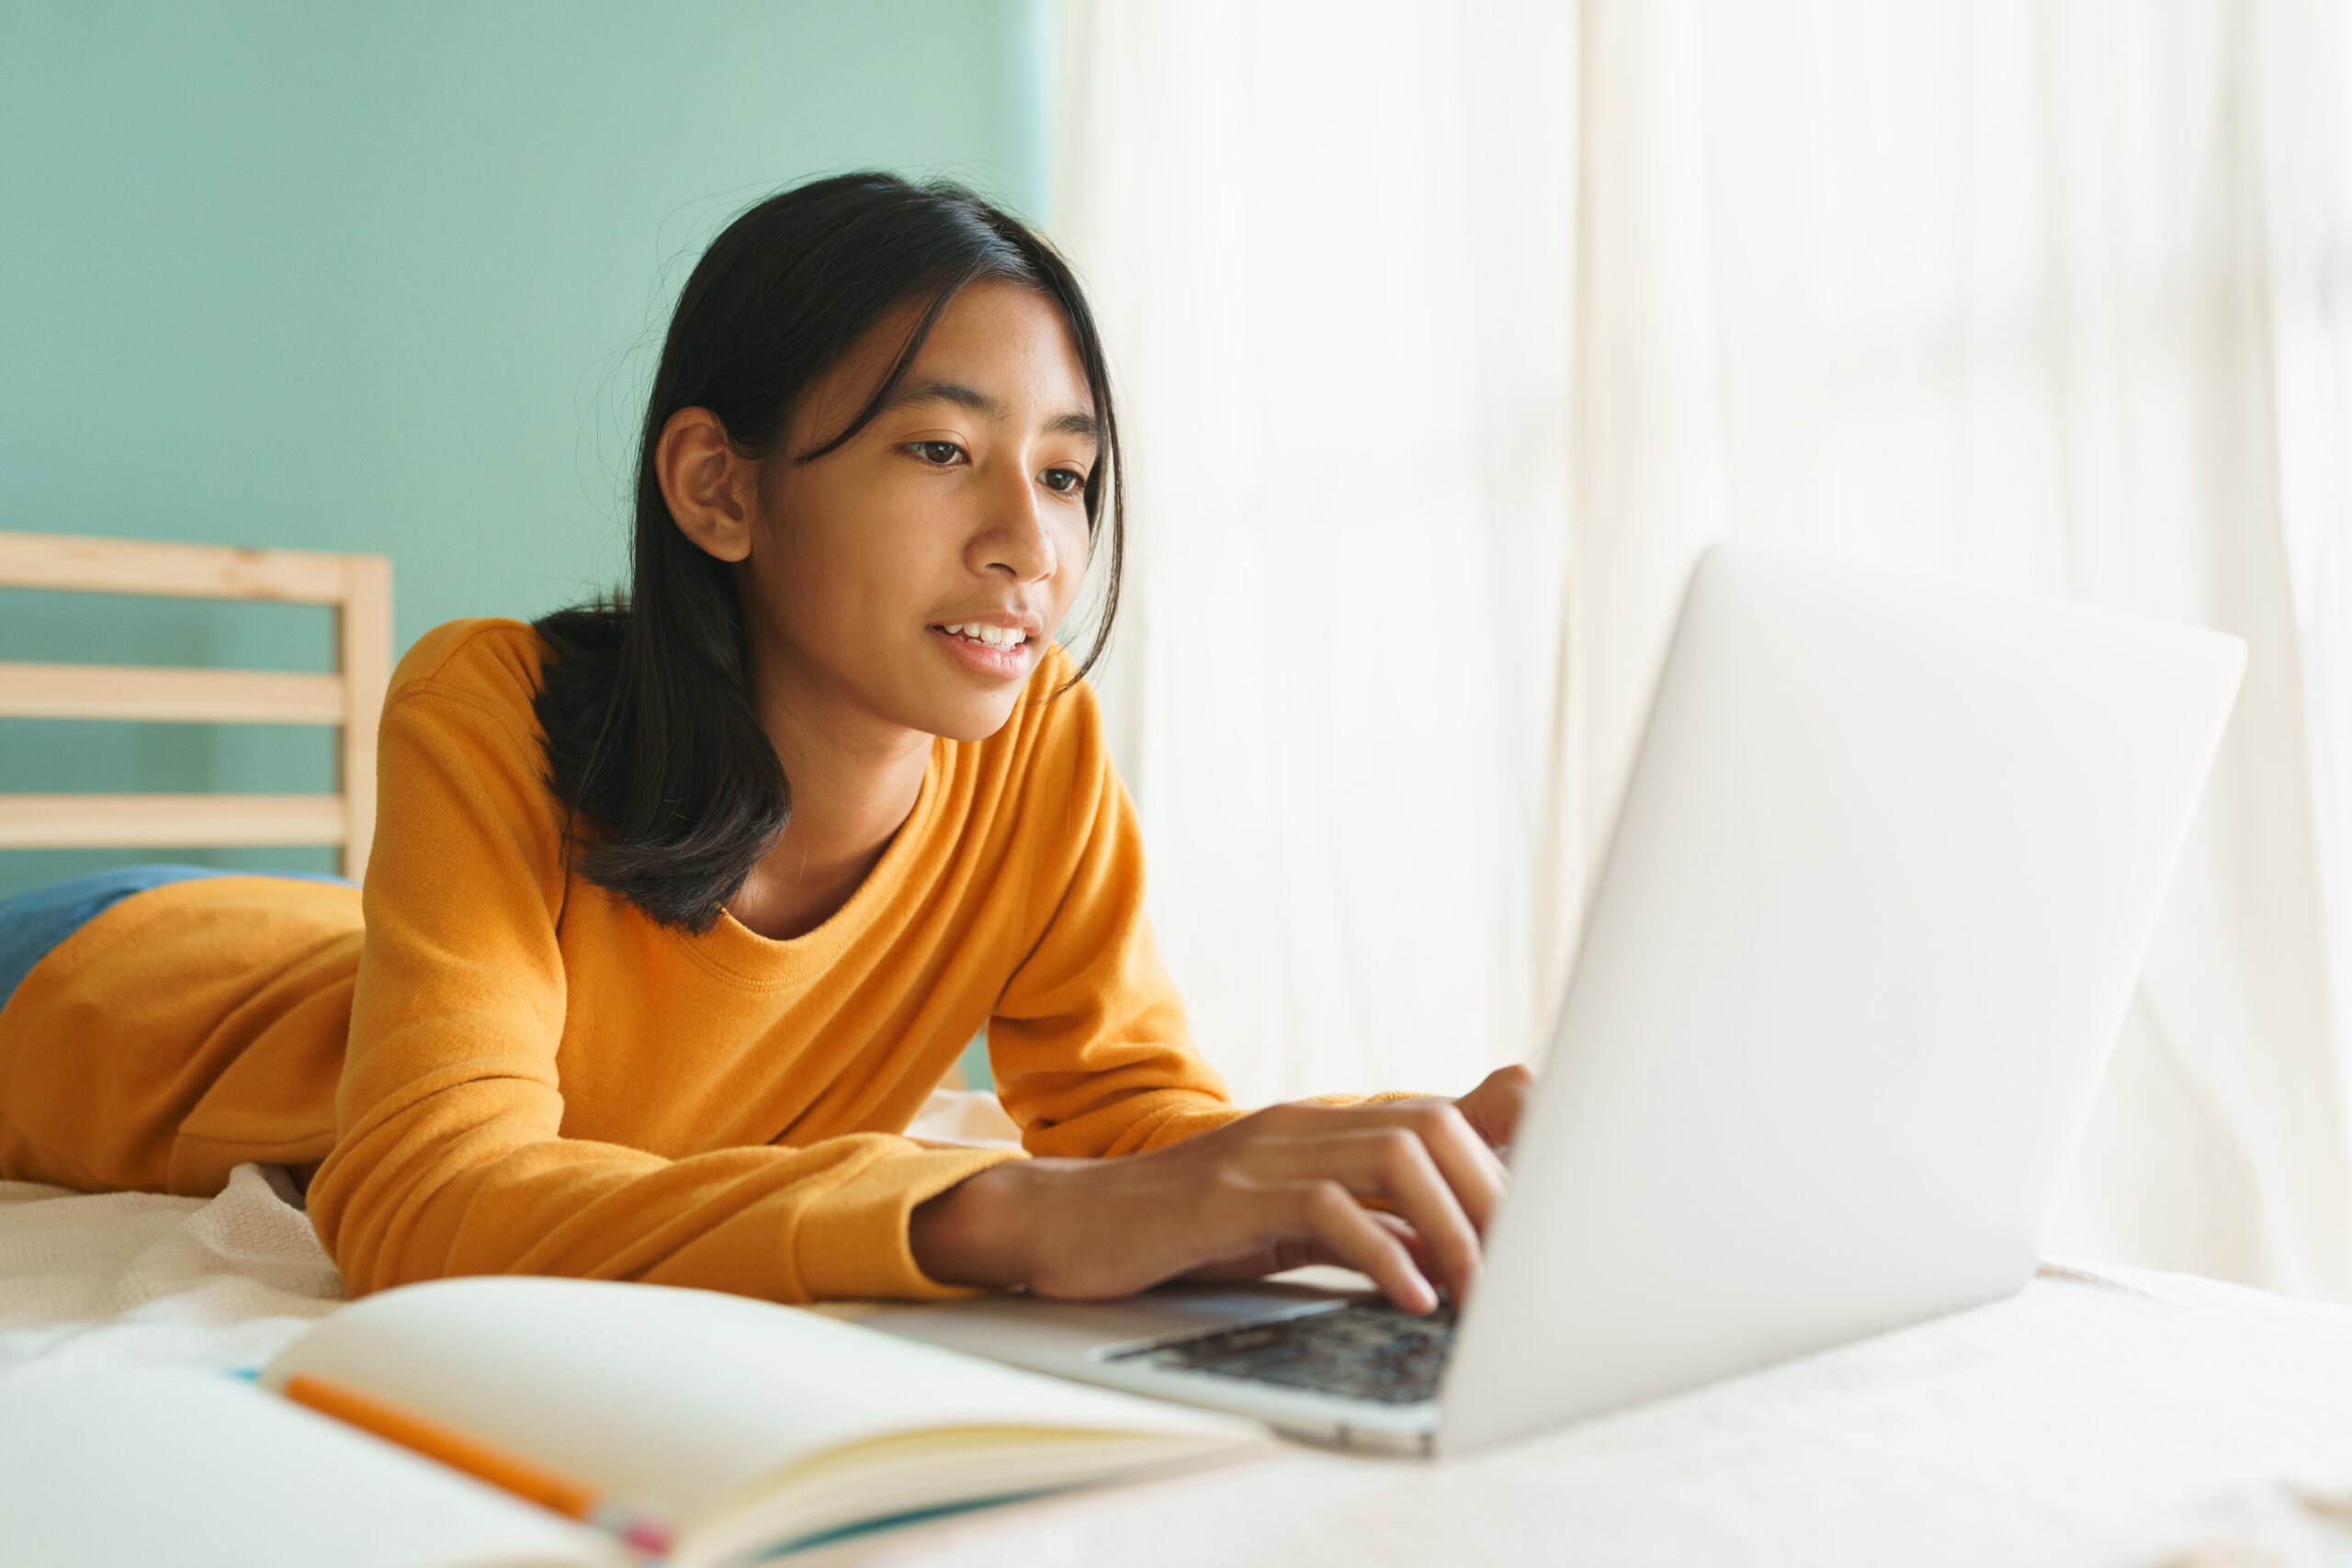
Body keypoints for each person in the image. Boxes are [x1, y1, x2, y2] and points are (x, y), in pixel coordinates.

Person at [0, 171, 1530, 1316]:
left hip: (322, 946)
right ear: (718, 488)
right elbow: (421, 1202)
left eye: (1067, 476)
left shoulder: (1034, 744)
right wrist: (976, 1211)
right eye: (940, 450)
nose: (1030, 546)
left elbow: (1135, 1123)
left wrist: (1378, 1156)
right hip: (84, 988)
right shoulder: (495, 708)